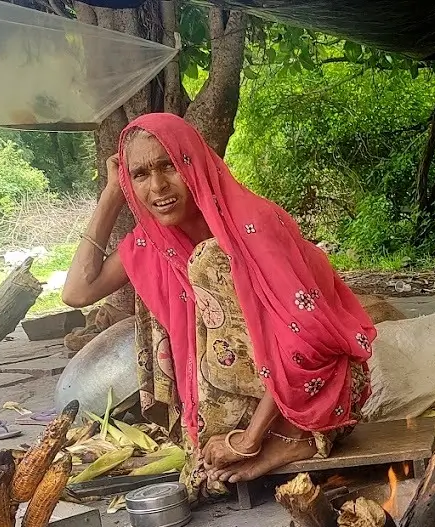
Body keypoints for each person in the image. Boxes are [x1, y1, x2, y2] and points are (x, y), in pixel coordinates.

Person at [61, 113, 376, 494]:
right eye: (140, 175)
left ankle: (292, 437)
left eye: (169, 166)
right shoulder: (155, 238)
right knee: (161, 274)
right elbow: (77, 292)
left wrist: (250, 439)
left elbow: (306, 343)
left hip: (318, 393)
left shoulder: (253, 224)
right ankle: (244, 435)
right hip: (251, 394)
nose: (158, 187)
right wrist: (114, 193)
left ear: (193, 162)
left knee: (208, 262)